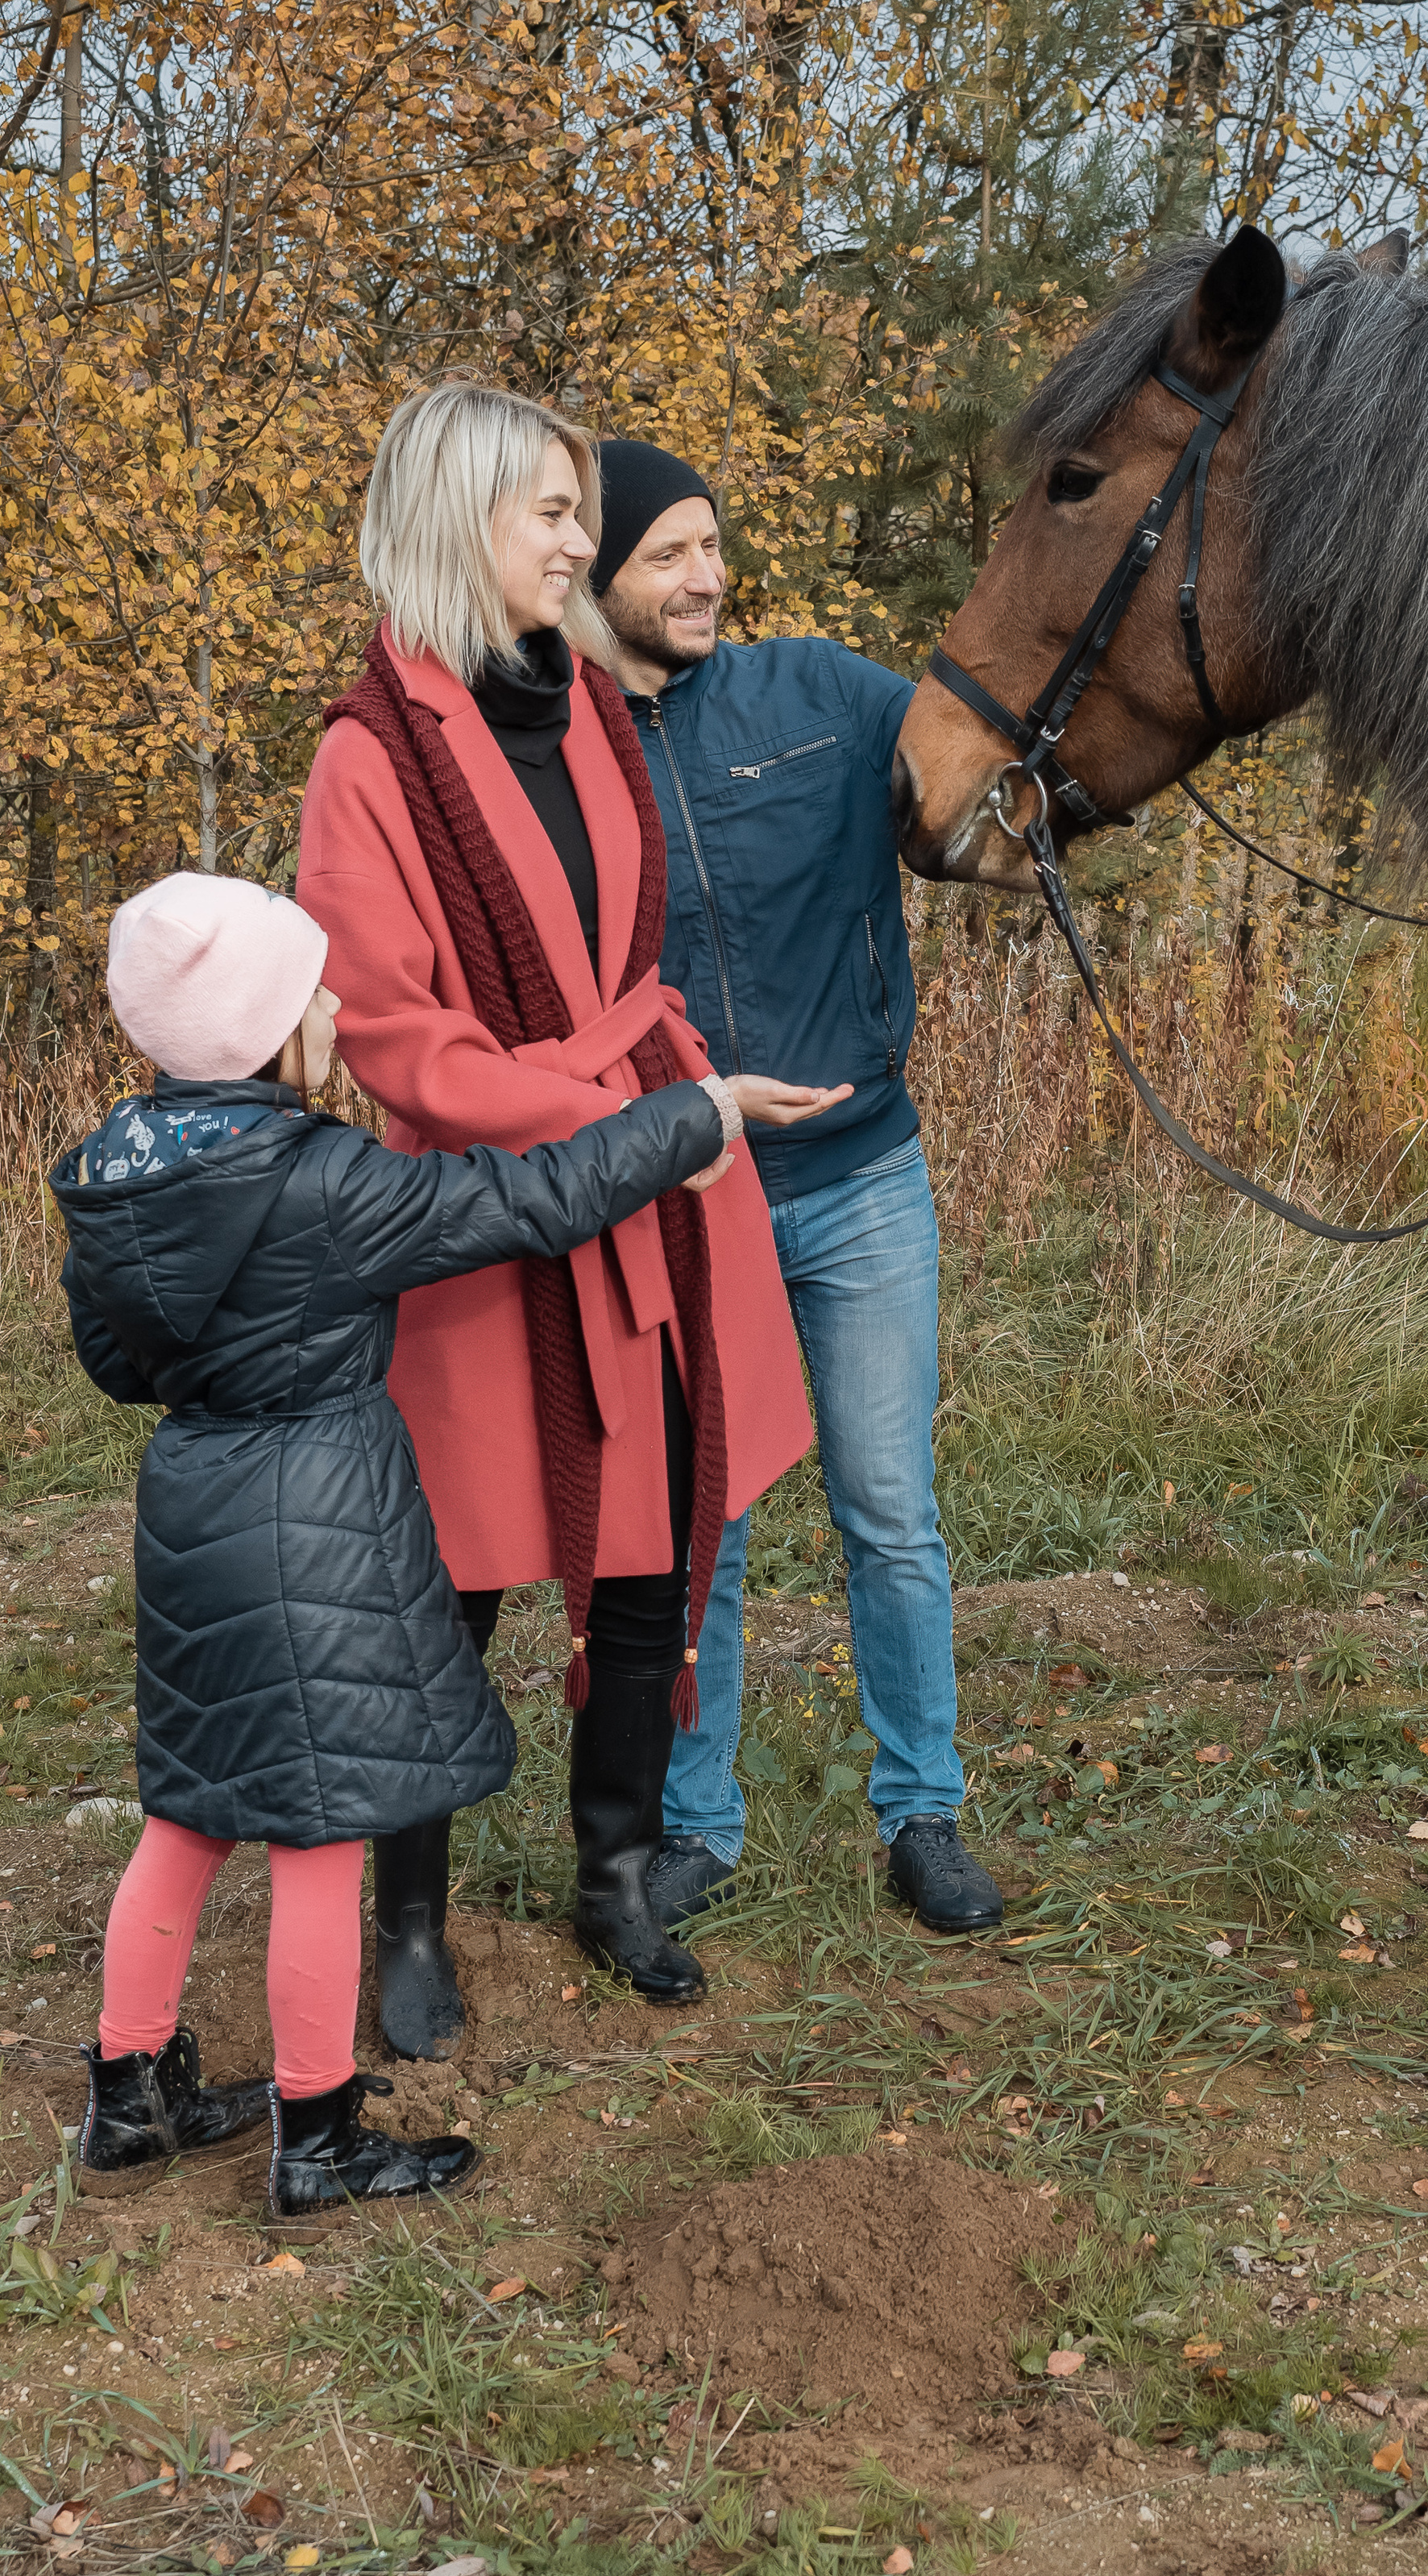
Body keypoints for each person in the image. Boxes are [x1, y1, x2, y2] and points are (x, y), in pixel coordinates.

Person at [55, 873, 746, 2214]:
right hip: (317, 1519)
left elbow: (111, 1362)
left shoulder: (112, 1178)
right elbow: (530, 1197)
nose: (335, 1003)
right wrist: (690, 1114)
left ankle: (127, 2097)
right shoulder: (320, 1179)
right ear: (265, 1030)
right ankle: (317, 2133)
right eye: (312, 988)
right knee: (323, 1836)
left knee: (187, 1814)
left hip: (192, 1511)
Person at [297, 382, 845, 2063]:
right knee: (439, 1589)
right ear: (462, 518)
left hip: (643, 1197)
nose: (573, 540)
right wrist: (630, 1123)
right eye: (548, 510)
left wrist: (654, 1113)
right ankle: (407, 1916)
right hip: (475, 1217)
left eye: (576, 509)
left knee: (642, 1552)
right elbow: (393, 1035)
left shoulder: (599, 712)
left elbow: (627, 958)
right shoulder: (368, 755)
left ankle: (613, 1873)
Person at [590, 440, 1003, 1936]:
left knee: (890, 1506)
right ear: (598, 578)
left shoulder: (820, 691)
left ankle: (925, 1813)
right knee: (711, 1524)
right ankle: (698, 1822)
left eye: (713, 547)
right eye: (667, 555)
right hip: (690, 1199)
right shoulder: (571, 751)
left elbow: (980, 777)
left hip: (861, 1182)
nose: (703, 577)